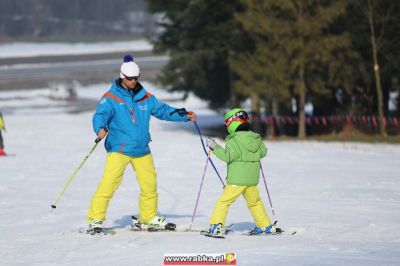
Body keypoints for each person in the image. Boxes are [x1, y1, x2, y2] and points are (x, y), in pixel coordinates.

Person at [87, 55, 197, 234]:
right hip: (120, 148)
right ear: (122, 76)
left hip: (142, 149)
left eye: (136, 78)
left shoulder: (145, 97)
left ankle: (148, 217)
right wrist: (100, 128)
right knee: (108, 184)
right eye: (130, 78)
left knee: (149, 185)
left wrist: (184, 115)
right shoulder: (110, 97)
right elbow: (100, 115)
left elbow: (162, 110)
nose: (133, 81)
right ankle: (95, 220)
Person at [204, 108, 281, 237]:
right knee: (255, 202)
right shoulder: (255, 138)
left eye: (227, 123)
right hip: (251, 179)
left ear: (232, 123)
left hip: (237, 180)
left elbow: (228, 156)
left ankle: (216, 227)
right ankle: (265, 226)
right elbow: (263, 152)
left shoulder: (233, 140)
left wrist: (214, 147)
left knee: (223, 202)